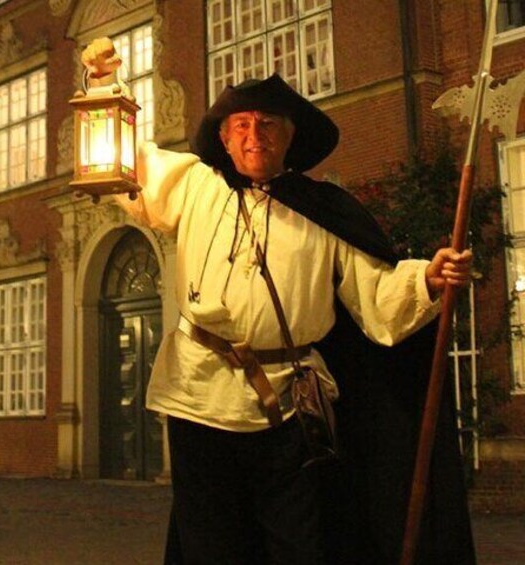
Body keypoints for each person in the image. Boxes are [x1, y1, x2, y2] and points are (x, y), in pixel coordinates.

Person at [82, 40, 476, 565]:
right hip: (198, 395)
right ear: (223, 138)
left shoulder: (323, 211)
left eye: (268, 124)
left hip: (291, 405)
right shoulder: (194, 186)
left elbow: (376, 293)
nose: (253, 135)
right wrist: (105, 85)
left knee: (297, 541)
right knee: (211, 541)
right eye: (240, 125)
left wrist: (427, 277)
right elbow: (123, 161)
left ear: (290, 137)